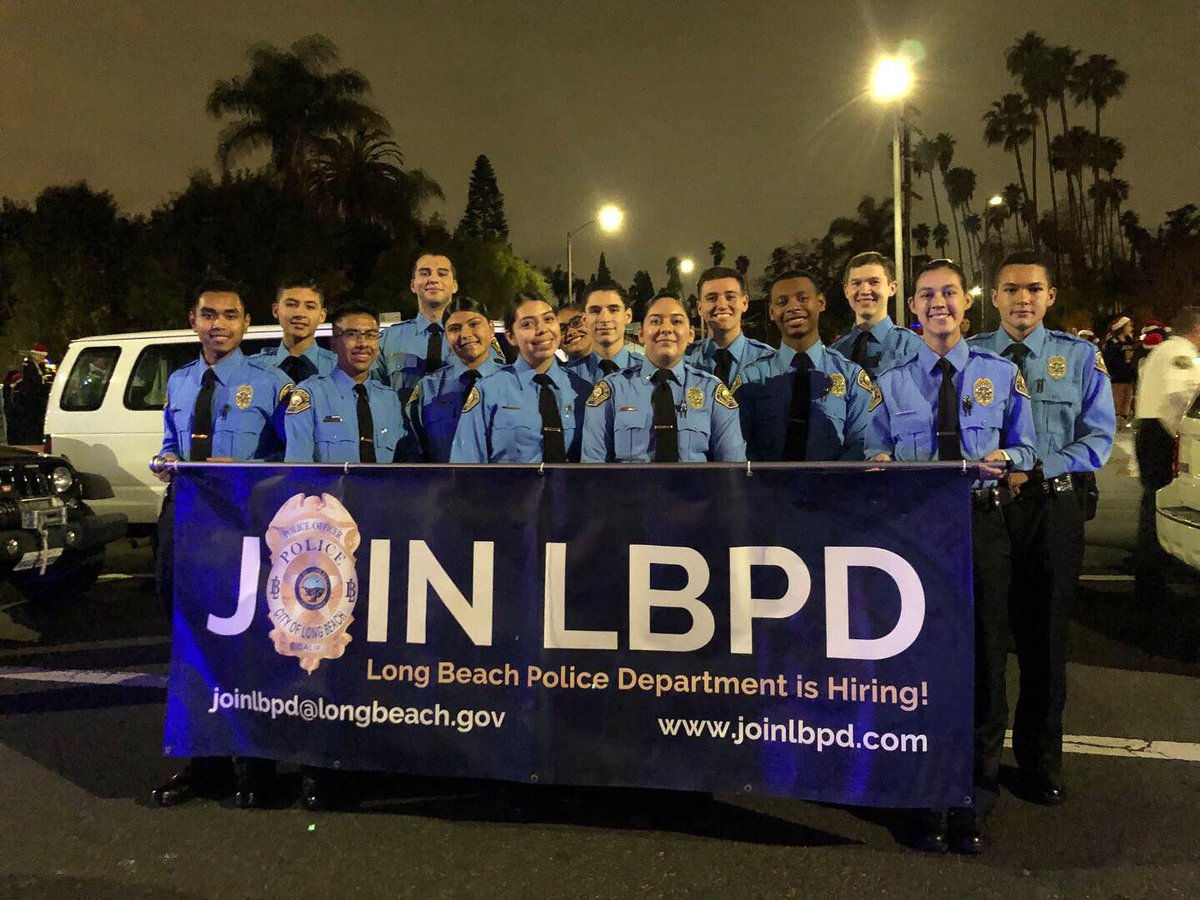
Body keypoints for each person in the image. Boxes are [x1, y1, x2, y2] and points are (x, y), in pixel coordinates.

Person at [866, 258, 1036, 855]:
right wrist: (880, 464)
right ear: (912, 307)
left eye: (949, 294)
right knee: (919, 666)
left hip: (980, 525)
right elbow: (874, 447)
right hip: (916, 538)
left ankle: (973, 798)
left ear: (968, 304)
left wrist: (1008, 462)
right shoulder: (890, 381)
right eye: (926, 295)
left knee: (986, 661)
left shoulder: (998, 373)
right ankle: (924, 793)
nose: (938, 303)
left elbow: (1028, 445)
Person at [970, 250, 1115, 808]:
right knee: (986, 642)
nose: (1022, 298)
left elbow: (1098, 438)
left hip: (1050, 508)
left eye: (1033, 289)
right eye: (1010, 289)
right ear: (995, 297)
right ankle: (980, 769)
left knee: (1045, 643)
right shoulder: (974, 357)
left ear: (1050, 296)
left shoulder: (1079, 358)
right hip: (988, 510)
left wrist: (1037, 466)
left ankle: (1039, 764)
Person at [151, 277, 290, 811]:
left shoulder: (271, 383)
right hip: (184, 517)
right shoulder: (181, 381)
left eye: (230, 315)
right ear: (194, 320)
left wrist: (248, 471)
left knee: (247, 643)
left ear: (246, 323)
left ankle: (255, 765)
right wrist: (163, 460)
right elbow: (169, 439)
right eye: (209, 314)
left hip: (242, 523)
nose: (219, 324)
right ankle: (201, 760)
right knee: (189, 640)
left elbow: (293, 458)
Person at [581, 291, 745, 462]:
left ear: (690, 335)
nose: (666, 329)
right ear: (641, 334)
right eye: (655, 321)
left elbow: (732, 469)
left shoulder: (711, 392)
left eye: (676, 321)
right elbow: (593, 468)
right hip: (629, 489)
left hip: (694, 489)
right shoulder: (613, 390)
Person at [737, 270, 875, 461]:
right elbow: (738, 446)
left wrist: (827, 482)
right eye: (782, 302)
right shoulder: (750, 378)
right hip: (767, 488)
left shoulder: (850, 376)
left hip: (834, 487)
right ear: (771, 312)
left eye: (802, 298)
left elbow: (864, 442)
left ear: (821, 302)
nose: (793, 307)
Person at [450, 292, 592, 463]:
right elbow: (466, 465)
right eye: (527, 324)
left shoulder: (582, 390)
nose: (542, 330)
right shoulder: (489, 390)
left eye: (548, 319)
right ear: (510, 336)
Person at [285, 305, 417, 465]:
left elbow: (405, 464)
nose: (362, 343)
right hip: (328, 490)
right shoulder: (311, 395)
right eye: (352, 335)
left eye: (371, 335)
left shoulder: (390, 400)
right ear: (333, 344)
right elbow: (298, 466)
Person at [1132, 307, 1200, 600]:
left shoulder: (1163, 350)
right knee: (1159, 503)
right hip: (1161, 433)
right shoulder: (1180, 355)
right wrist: (1181, 435)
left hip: (1150, 429)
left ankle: (1152, 572)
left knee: (1154, 501)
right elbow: (1179, 399)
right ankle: (1150, 578)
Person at [407, 297, 501, 462]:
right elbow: (415, 452)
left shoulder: (515, 384)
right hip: (444, 485)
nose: (465, 334)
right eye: (454, 328)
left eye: (474, 324)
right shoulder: (428, 389)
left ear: (491, 328)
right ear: (446, 336)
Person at [375, 252, 459, 401]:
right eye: (425, 273)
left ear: (454, 286)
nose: (433, 279)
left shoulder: (474, 339)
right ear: (413, 285)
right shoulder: (387, 339)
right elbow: (372, 393)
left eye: (442, 274)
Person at [830, 252, 923, 377]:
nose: (864, 290)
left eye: (874, 282)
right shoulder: (836, 352)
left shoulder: (914, 348)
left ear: (892, 288)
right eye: (856, 283)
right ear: (846, 291)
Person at [684, 266, 773, 387]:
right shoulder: (684, 361)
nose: (721, 305)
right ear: (700, 308)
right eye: (712, 298)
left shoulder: (769, 361)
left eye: (730, 297)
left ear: (744, 303)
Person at [248, 278, 337, 382]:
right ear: (276, 310)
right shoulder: (252, 368)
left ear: (322, 315)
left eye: (310, 307)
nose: (300, 313)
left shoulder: (340, 368)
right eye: (291, 304)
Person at [564, 282, 644, 382]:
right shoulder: (567, 377)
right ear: (585, 319)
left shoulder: (649, 372)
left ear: (628, 316)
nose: (605, 319)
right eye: (595, 311)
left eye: (613, 310)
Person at [10, 343, 52, 444]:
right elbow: (33, 381)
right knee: (31, 421)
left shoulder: (40, 366)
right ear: (37, 355)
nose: (43, 358)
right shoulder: (29, 365)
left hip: (37, 398)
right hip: (30, 398)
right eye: (42, 356)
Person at [1102, 316, 1137, 427]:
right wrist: (1124, 359)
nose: (1131, 328)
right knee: (1117, 400)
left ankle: (1123, 420)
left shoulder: (1129, 341)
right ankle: (1115, 422)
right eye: (1129, 325)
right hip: (1117, 377)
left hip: (1128, 376)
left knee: (1127, 400)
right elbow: (1109, 360)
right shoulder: (1113, 343)